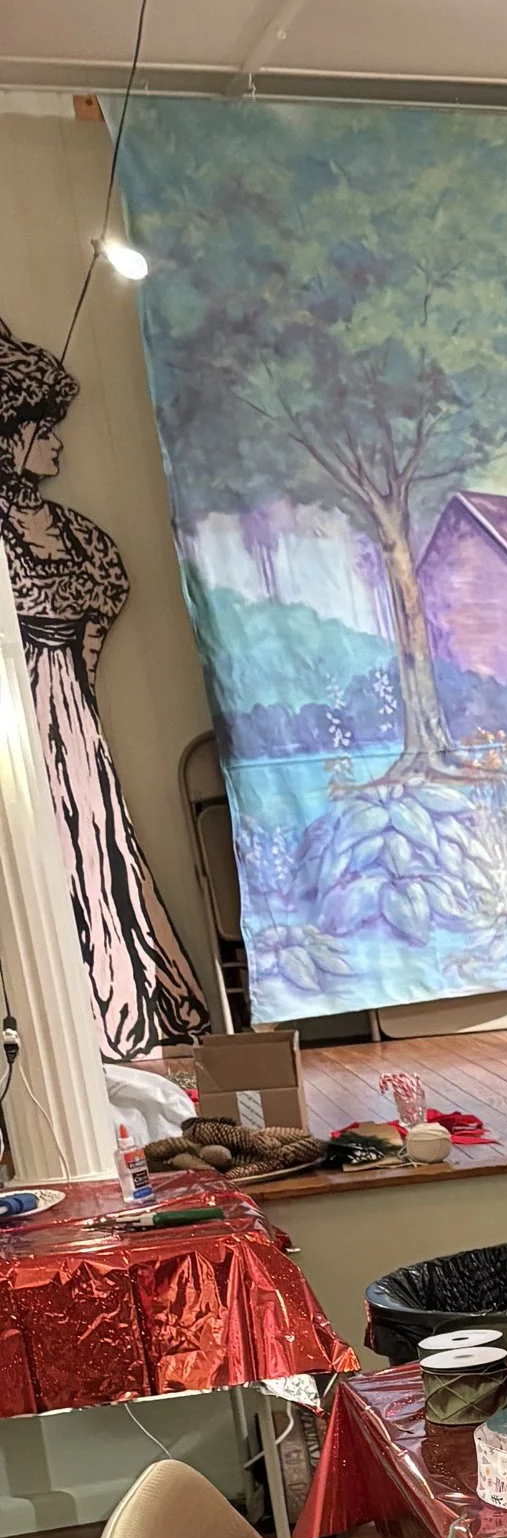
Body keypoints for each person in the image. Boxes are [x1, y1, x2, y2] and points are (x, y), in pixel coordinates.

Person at [0, 314, 210, 1058]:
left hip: (71, 712)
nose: (57, 441)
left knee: (96, 841)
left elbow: (104, 596)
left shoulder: (77, 531)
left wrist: (73, 677)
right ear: (9, 437)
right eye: (41, 428)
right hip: (17, 719)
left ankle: (117, 1002)